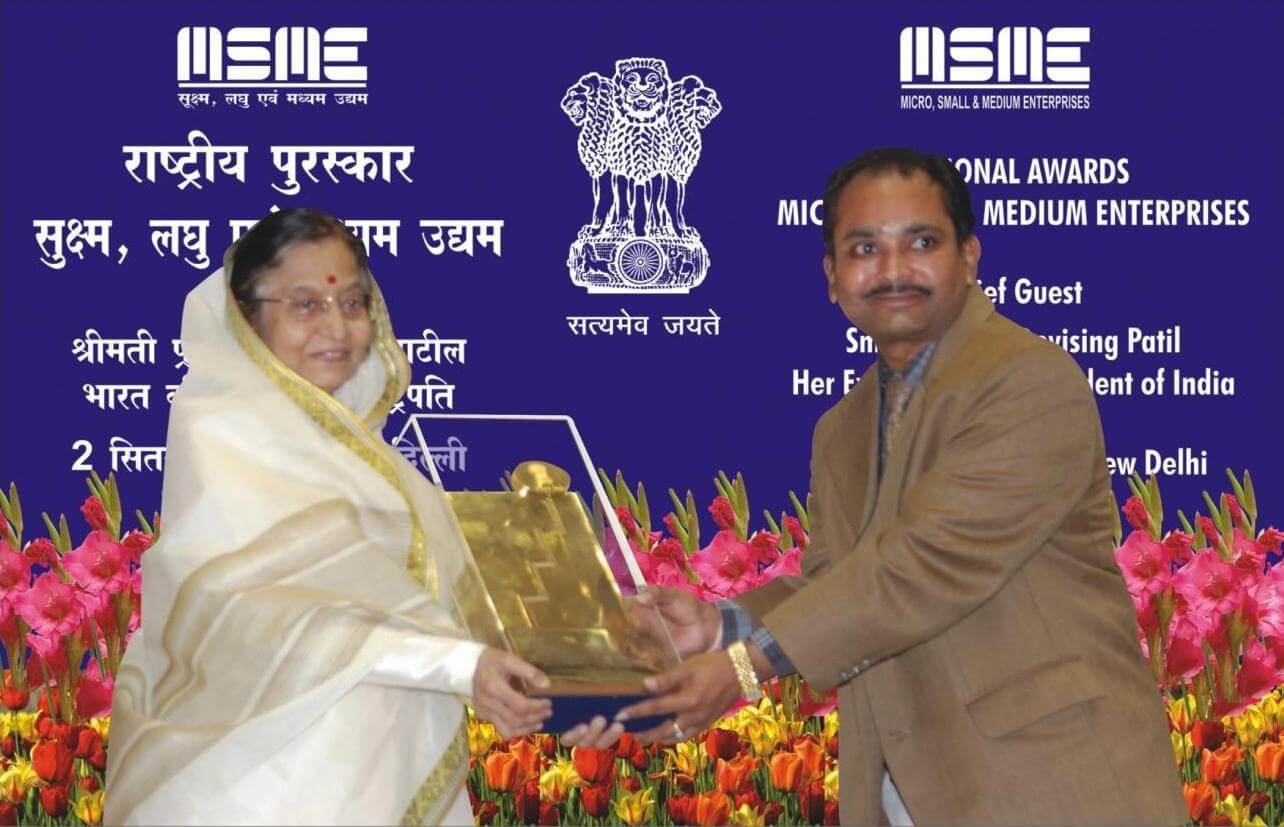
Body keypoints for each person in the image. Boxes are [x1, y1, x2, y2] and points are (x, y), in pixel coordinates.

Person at [612, 149, 1187, 824]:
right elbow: (841, 583)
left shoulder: (1029, 380)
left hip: (1054, 791)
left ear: (969, 257)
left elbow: (924, 565)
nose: (892, 270)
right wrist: (719, 624)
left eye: (921, 242)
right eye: (864, 248)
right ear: (832, 276)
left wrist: (745, 667)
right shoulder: (842, 429)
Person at [106, 209, 553, 825]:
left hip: (375, 767)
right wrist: (458, 666)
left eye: (352, 303)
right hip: (258, 783)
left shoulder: (370, 459)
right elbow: (268, 615)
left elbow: (427, 594)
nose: (337, 327)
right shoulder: (225, 432)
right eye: (305, 305)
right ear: (248, 318)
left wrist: (576, 624)